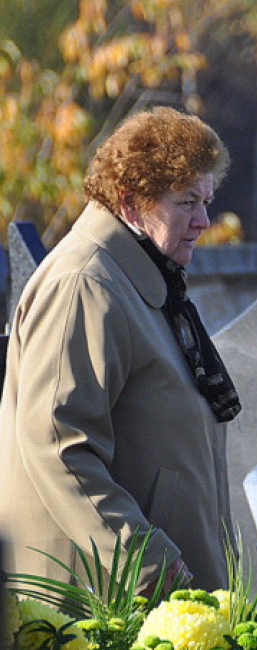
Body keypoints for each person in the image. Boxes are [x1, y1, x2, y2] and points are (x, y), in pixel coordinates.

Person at [0, 106, 240, 593]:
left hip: (141, 602)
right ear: (130, 203)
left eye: (206, 200)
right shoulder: (84, 283)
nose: (204, 221)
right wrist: (148, 563)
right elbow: (58, 444)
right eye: (186, 202)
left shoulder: (138, 277)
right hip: (99, 608)